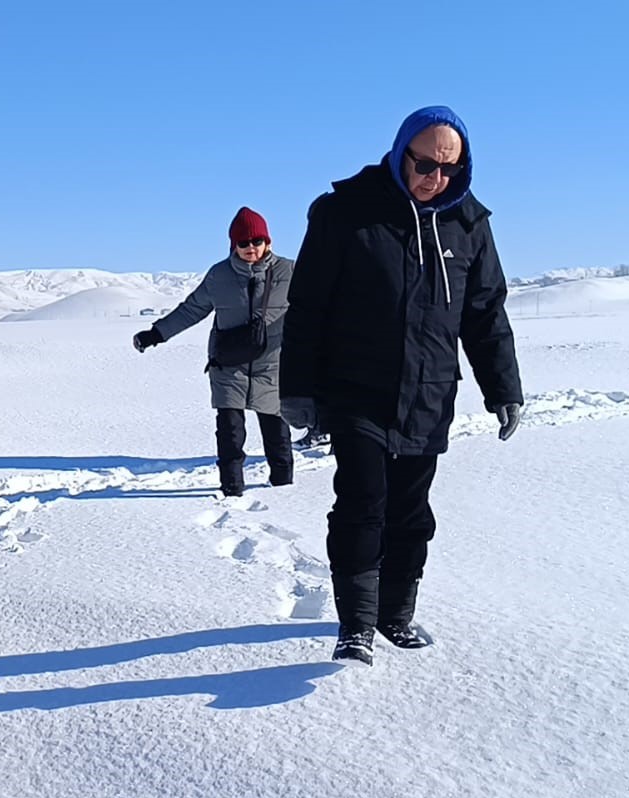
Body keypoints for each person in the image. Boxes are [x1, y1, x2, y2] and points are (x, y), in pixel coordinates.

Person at [280, 106, 523, 665]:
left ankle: (396, 614)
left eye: (448, 169)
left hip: (430, 392)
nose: (433, 178)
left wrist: (503, 387)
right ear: (399, 152)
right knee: (364, 502)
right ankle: (357, 625)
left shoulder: (468, 225)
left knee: (411, 511)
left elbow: (485, 313)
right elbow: (309, 305)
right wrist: (298, 388)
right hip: (356, 389)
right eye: (424, 164)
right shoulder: (345, 213)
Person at [134, 207, 295, 496]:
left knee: (276, 432)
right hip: (228, 363)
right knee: (230, 431)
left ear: (268, 242)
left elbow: (318, 305)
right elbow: (192, 309)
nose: (250, 248)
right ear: (233, 244)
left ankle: (283, 490)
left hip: (272, 363)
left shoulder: (288, 272)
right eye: (243, 243)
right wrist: (156, 334)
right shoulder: (219, 275)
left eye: (256, 241)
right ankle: (231, 489)